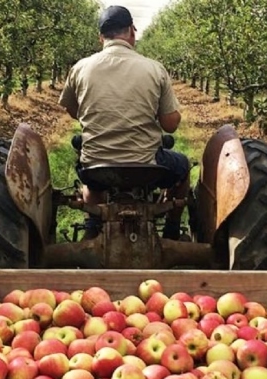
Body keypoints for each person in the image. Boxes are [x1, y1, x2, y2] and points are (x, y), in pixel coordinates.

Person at [58, 5, 190, 241]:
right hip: (147, 166)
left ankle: (94, 222)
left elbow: (71, 109)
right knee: (183, 167)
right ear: (132, 31)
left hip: (96, 167)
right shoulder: (154, 69)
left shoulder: (80, 68)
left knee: (86, 164)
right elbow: (170, 125)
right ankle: (172, 226)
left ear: (101, 37)